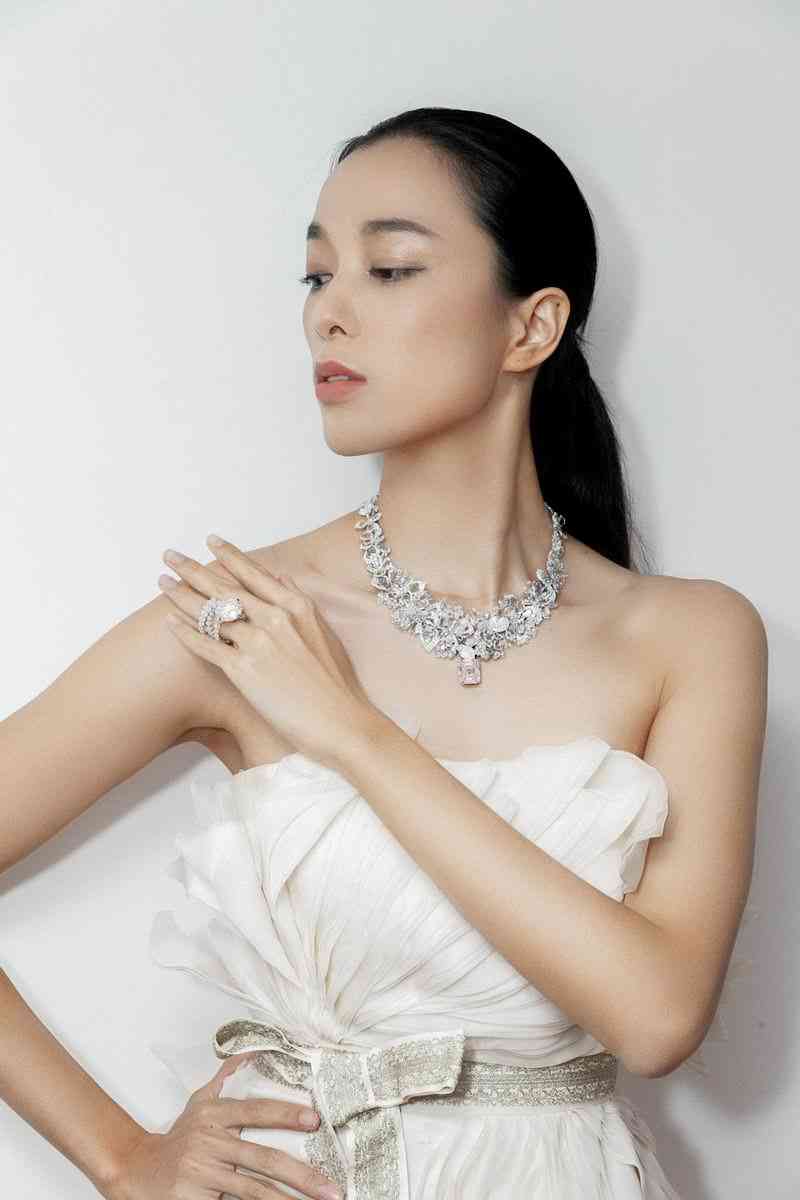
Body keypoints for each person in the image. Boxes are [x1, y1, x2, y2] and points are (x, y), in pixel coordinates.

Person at [0, 107, 767, 1200]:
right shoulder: (245, 623)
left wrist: (353, 734)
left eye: (390, 268)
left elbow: (656, 1018)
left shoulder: (690, 635)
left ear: (532, 327)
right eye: (317, 276)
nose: (328, 313)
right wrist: (121, 1157)